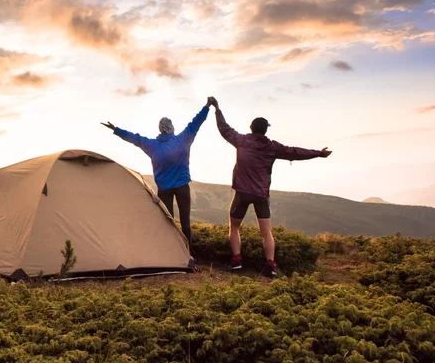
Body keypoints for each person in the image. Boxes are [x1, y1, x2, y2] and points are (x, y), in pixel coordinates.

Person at [207, 97, 332, 279]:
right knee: (266, 231)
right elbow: (295, 152)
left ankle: (236, 261)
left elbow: (223, 128)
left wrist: (217, 109)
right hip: (261, 194)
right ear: (265, 130)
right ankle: (270, 266)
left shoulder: (241, 140)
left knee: (234, 227)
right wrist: (318, 153)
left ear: (251, 128)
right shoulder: (272, 147)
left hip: (242, 192)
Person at [101, 100, 211, 254]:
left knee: (168, 222)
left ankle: (171, 253)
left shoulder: (152, 145)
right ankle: (188, 254)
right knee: (185, 221)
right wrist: (206, 107)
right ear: (172, 128)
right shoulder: (183, 140)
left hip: (164, 189)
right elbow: (196, 123)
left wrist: (116, 129)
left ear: (160, 129)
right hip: (182, 187)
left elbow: (134, 138)